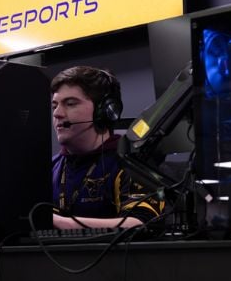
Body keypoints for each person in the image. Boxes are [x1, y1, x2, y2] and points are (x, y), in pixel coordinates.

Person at [50, 66, 162, 229]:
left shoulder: (132, 163)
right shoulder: (50, 168)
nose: (57, 113)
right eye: (54, 106)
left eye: (70, 103)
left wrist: (57, 222)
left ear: (104, 111)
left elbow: (141, 223)